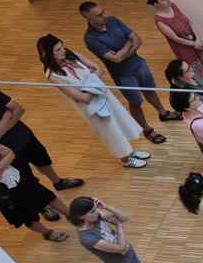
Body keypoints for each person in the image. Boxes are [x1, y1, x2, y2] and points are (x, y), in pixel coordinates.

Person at [37, 34, 150, 169]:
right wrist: (94, 83)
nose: (63, 51)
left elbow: (98, 69)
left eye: (62, 47)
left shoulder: (73, 55)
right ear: (48, 54)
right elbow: (82, 98)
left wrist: (89, 86)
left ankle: (130, 152)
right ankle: (126, 160)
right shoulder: (53, 76)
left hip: (105, 96)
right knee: (111, 132)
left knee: (120, 122)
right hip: (92, 107)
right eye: (58, 50)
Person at [80, 1, 180, 143]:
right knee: (135, 102)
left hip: (139, 64)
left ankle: (163, 113)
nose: (104, 15)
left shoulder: (113, 21)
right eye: (99, 15)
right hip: (123, 75)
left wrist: (122, 51)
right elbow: (116, 59)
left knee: (150, 91)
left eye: (103, 11)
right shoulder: (90, 38)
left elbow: (137, 40)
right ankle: (147, 130)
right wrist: (128, 43)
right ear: (87, 17)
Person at [0, 83, 83, 191]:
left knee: (41, 158)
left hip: (23, 134)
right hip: (5, 147)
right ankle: (40, 195)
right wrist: (7, 115)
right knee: (25, 174)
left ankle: (57, 182)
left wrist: (1, 129)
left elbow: (19, 109)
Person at [0, 133, 69, 241]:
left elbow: (11, 154)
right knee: (27, 217)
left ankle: (71, 215)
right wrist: (4, 162)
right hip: (5, 191)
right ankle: (47, 233)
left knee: (48, 196)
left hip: (18, 176)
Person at [146, 0, 203, 89]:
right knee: (196, 72)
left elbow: (188, 22)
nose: (168, 0)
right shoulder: (159, 21)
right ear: (156, 4)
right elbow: (175, 38)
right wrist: (194, 44)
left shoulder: (173, 6)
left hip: (194, 42)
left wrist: (198, 39)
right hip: (184, 50)